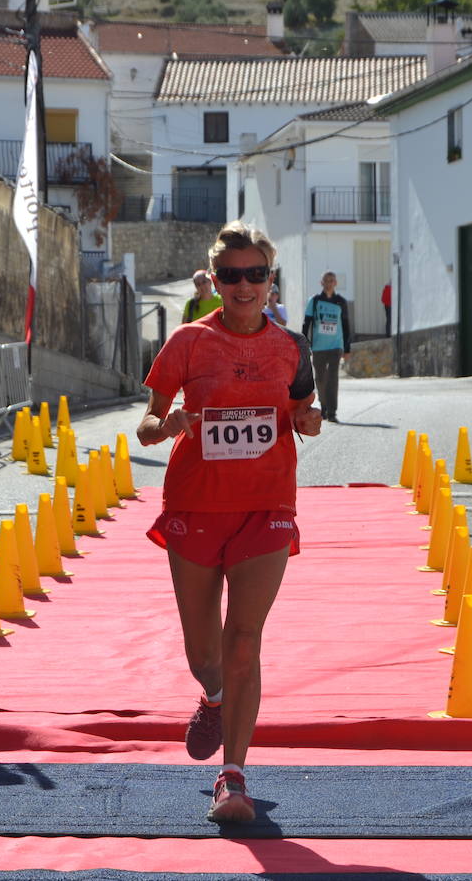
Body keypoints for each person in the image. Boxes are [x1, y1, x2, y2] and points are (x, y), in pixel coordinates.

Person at [137, 221, 322, 823]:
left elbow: (299, 412)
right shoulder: (187, 342)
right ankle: (213, 696)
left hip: (268, 506)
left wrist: (309, 420)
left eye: (256, 275)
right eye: (232, 275)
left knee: (244, 639)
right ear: (216, 280)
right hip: (195, 505)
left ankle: (233, 777)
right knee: (203, 649)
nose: (244, 286)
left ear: (271, 280)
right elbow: (147, 420)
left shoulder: (292, 348)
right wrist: (166, 427)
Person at [301, 271, 351, 423]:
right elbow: (306, 324)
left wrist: (347, 348)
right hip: (318, 347)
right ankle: (324, 406)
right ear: (321, 282)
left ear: (335, 283)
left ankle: (332, 412)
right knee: (321, 378)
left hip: (336, 346)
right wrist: (304, 344)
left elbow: (346, 325)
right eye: (326, 280)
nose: (329, 283)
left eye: (331, 280)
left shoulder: (341, 302)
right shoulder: (314, 301)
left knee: (333, 378)